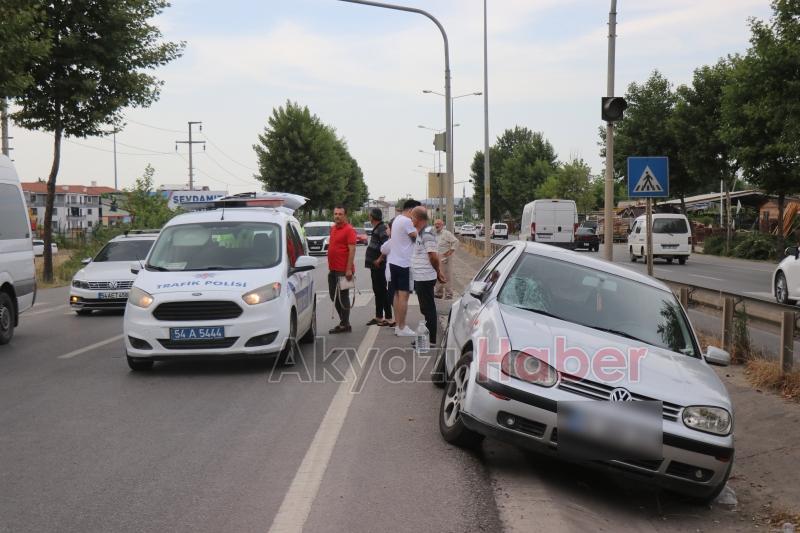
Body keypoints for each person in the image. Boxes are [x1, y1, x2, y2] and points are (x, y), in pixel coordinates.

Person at [411, 207, 446, 345]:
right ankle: (427, 336)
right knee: (425, 308)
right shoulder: (421, 233)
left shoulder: (426, 234)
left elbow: (433, 256)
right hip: (421, 276)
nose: (411, 220)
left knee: (428, 308)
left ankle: (430, 340)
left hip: (425, 277)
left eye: (412, 218)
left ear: (419, 219)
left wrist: (438, 272)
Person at [389, 199, 421, 336]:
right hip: (404, 263)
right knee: (404, 296)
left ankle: (398, 325)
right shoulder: (407, 221)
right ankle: (402, 327)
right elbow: (418, 238)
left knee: (396, 295)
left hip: (394, 261)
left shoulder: (397, 219)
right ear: (411, 210)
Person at [327, 206, 356, 334]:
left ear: (345, 215)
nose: (337, 216)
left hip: (344, 270)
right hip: (332, 269)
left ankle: (345, 324)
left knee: (343, 297)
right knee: (333, 295)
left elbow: (352, 250)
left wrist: (349, 269)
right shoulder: (333, 228)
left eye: (340, 214)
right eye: (335, 213)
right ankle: (344, 322)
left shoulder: (349, 230)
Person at [365, 208, 392, 326]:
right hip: (375, 266)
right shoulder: (378, 227)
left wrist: (379, 259)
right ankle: (379, 316)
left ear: (372, 217)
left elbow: (387, 245)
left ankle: (388, 316)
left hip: (379, 265)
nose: (368, 216)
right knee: (378, 291)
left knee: (382, 291)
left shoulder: (381, 228)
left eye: (369, 215)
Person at [433, 218, 458, 299]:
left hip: (445, 258)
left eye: (438, 224)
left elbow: (455, 241)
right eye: (435, 224)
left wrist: (451, 251)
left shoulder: (447, 233)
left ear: (442, 225)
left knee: (447, 276)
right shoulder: (433, 234)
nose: (437, 225)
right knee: (437, 275)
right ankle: (438, 293)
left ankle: (449, 294)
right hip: (436, 257)